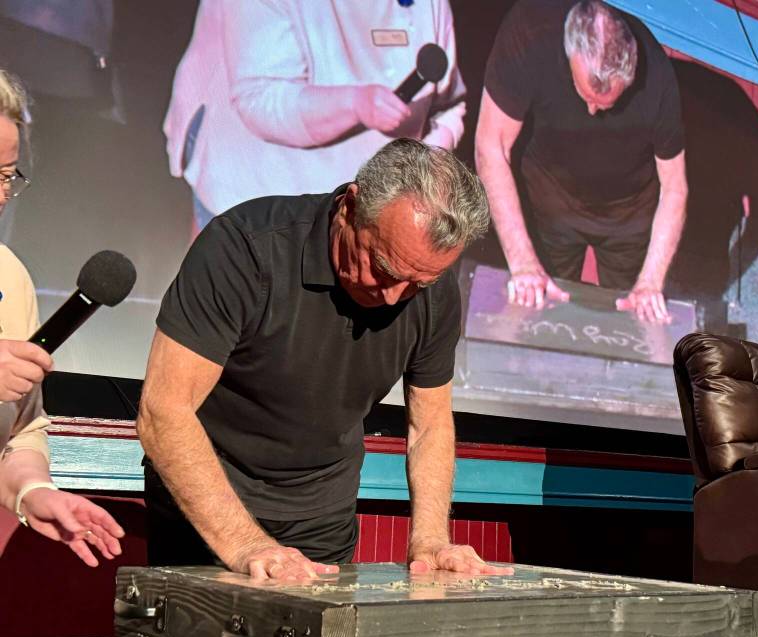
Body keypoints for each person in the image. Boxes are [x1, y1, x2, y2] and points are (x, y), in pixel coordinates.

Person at [138, 138, 512, 580]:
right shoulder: (245, 249)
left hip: (321, 516)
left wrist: (429, 539)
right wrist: (246, 545)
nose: (393, 296)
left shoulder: (429, 292)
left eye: (418, 283)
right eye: (383, 267)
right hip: (208, 507)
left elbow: (428, 423)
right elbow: (164, 411)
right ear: (350, 208)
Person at [164, 0, 468, 233]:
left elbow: (448, 105)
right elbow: (261, 99)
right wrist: (354, 104)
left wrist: (430, 162)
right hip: (256, 191)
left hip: (362, 213)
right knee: (218, 302)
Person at [476, 0, 687, 325]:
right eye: (587, 97)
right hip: (552, 199)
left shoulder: (658, 78)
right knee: (544, 309)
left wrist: (650, 282)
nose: (593, 112)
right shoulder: (530, 31)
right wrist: (523, 263)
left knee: (628, 320)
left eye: (608, 104)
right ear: (569, 54)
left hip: (628, 212)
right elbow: (491, 147)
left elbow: (674, 188)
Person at [0, 69, 124, 566]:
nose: (0, 196)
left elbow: (19, 432)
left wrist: (32, 491)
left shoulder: (10, 278)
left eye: (6, 176)